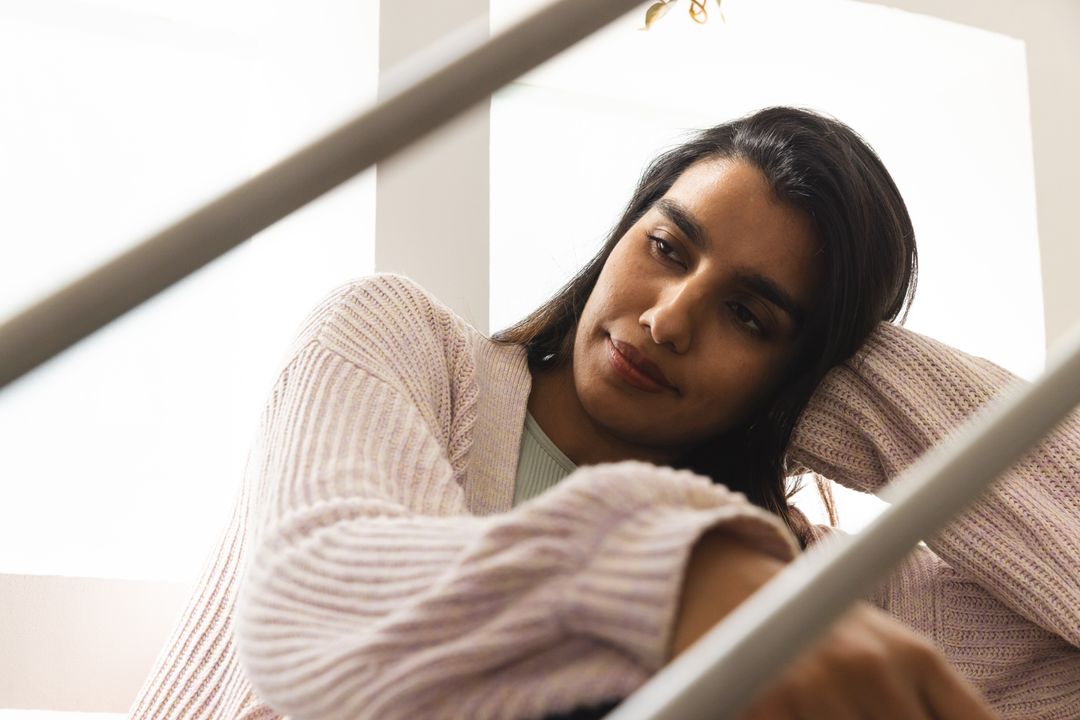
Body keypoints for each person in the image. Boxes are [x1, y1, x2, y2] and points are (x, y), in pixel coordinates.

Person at [128, 107, 1079, 720]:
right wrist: (677, 581)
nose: (668, 319)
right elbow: (317, 601)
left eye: (749, 314)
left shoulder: (814, 586)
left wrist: (863, 381)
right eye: (667, 246)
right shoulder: (402, 345)